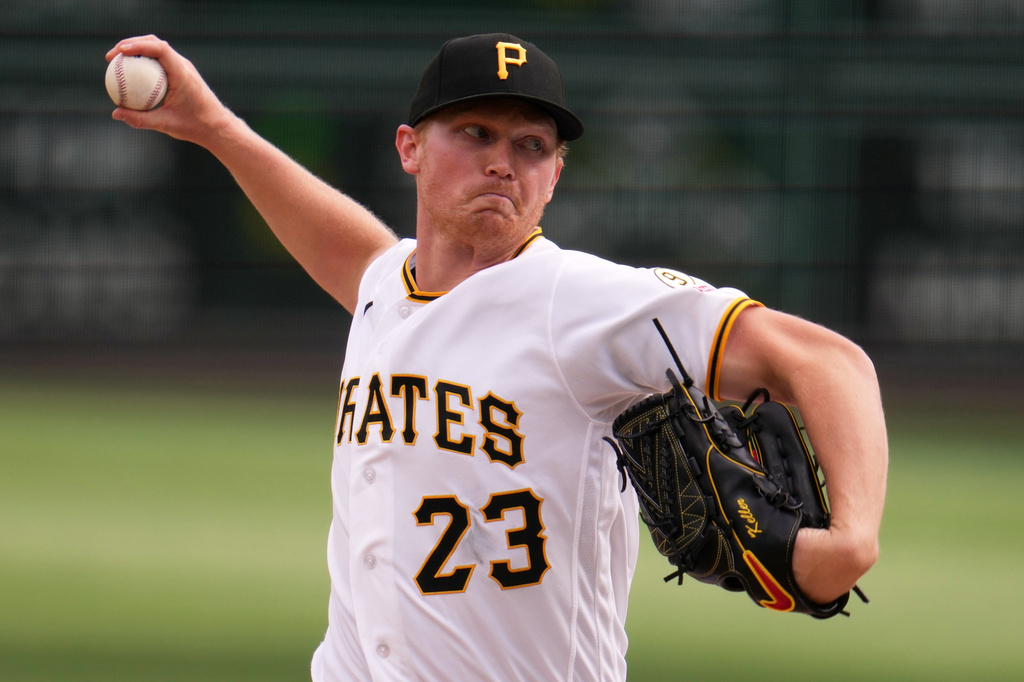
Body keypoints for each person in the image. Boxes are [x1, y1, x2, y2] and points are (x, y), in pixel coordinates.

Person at [107, 33, 888, 681]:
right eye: (475, 133)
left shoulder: (579, 302)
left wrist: (849, 542)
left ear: (555, 175)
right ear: (410, 148)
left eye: (531, 145)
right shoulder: (387, 288)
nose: (503, 162)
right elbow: (352, 250)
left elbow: (828, 362)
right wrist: (214, 127)